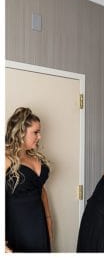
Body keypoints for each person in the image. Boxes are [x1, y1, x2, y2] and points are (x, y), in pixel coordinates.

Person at [4, 108, 51, 253]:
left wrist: (49, 221)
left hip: (40, 225)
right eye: (35, 132)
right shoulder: (6, 160)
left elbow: (40, 189)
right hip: (18, 227)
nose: (40, 136)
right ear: (21, 133)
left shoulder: (36, 158)